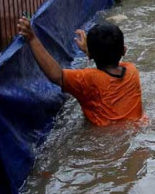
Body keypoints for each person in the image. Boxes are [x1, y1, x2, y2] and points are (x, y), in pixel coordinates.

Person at [17, 19, 146, 126]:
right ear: (124, 51)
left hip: (104, 137)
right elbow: (107, 65)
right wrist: (90, 52)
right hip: (138, 126)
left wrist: (32, 38)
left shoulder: (87, 79)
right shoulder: (132, 71)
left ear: (91, 55)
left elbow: (56, 75)